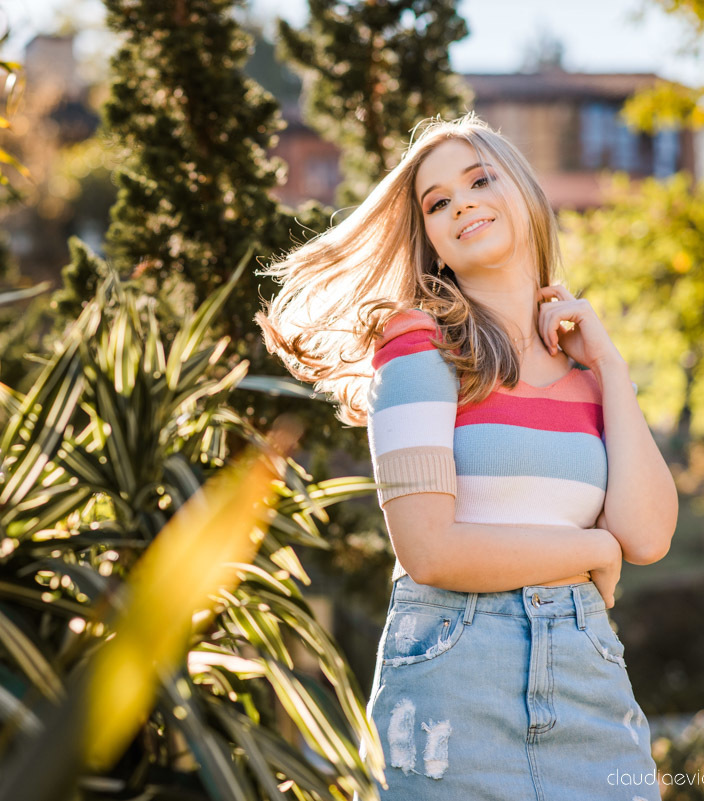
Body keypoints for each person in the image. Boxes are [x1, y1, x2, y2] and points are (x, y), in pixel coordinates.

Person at [255, 111, 678, 800]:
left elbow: (649, 535)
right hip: (455, 687)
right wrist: (590, 549)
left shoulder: (588, 376)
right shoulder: (419, 346)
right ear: (434, 243)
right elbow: (429, 549)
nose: (462, 203)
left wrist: (610, 365)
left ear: (527, 195)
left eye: (480, 178)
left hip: (591, 683)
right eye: (438, 202)